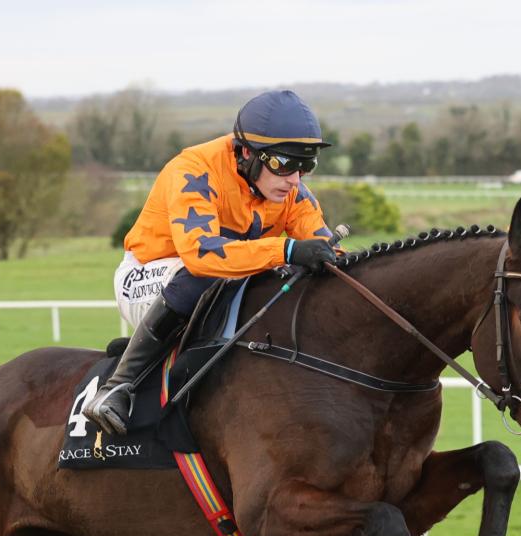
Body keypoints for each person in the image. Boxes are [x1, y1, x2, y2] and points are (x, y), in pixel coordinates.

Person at [83, 90, 337, 435]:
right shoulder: (193, 171)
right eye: (284, 164)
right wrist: (287, 250)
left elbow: (327, 253)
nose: (294, 179)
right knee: (207, 276)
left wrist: (321, 258)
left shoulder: (292, 192)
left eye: (306, 166)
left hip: (219, 279)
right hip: (150, 276)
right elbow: (201, 255)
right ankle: (118, 385)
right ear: (247, 152)